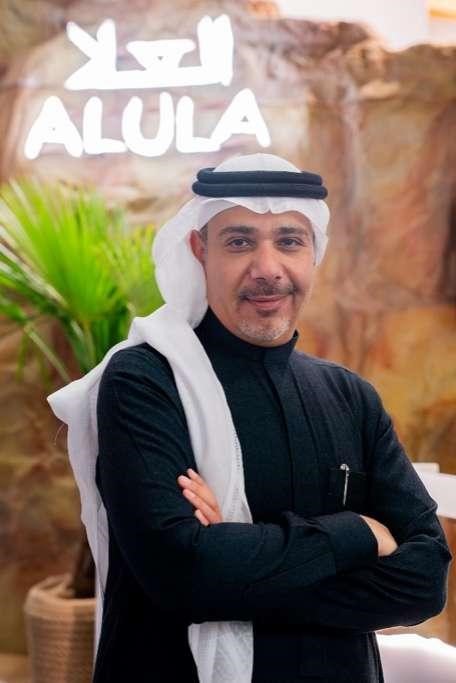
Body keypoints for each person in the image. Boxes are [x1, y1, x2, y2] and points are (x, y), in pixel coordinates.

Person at [48, 153, 451, 683]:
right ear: (200, 251)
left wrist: (235, 568)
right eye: (239, 242)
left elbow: (425, 582)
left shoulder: (352, 396)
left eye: (289, 241)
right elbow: (181, 574)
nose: (267, 268)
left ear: (314, 252)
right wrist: (358, 534)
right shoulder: (146, 381)